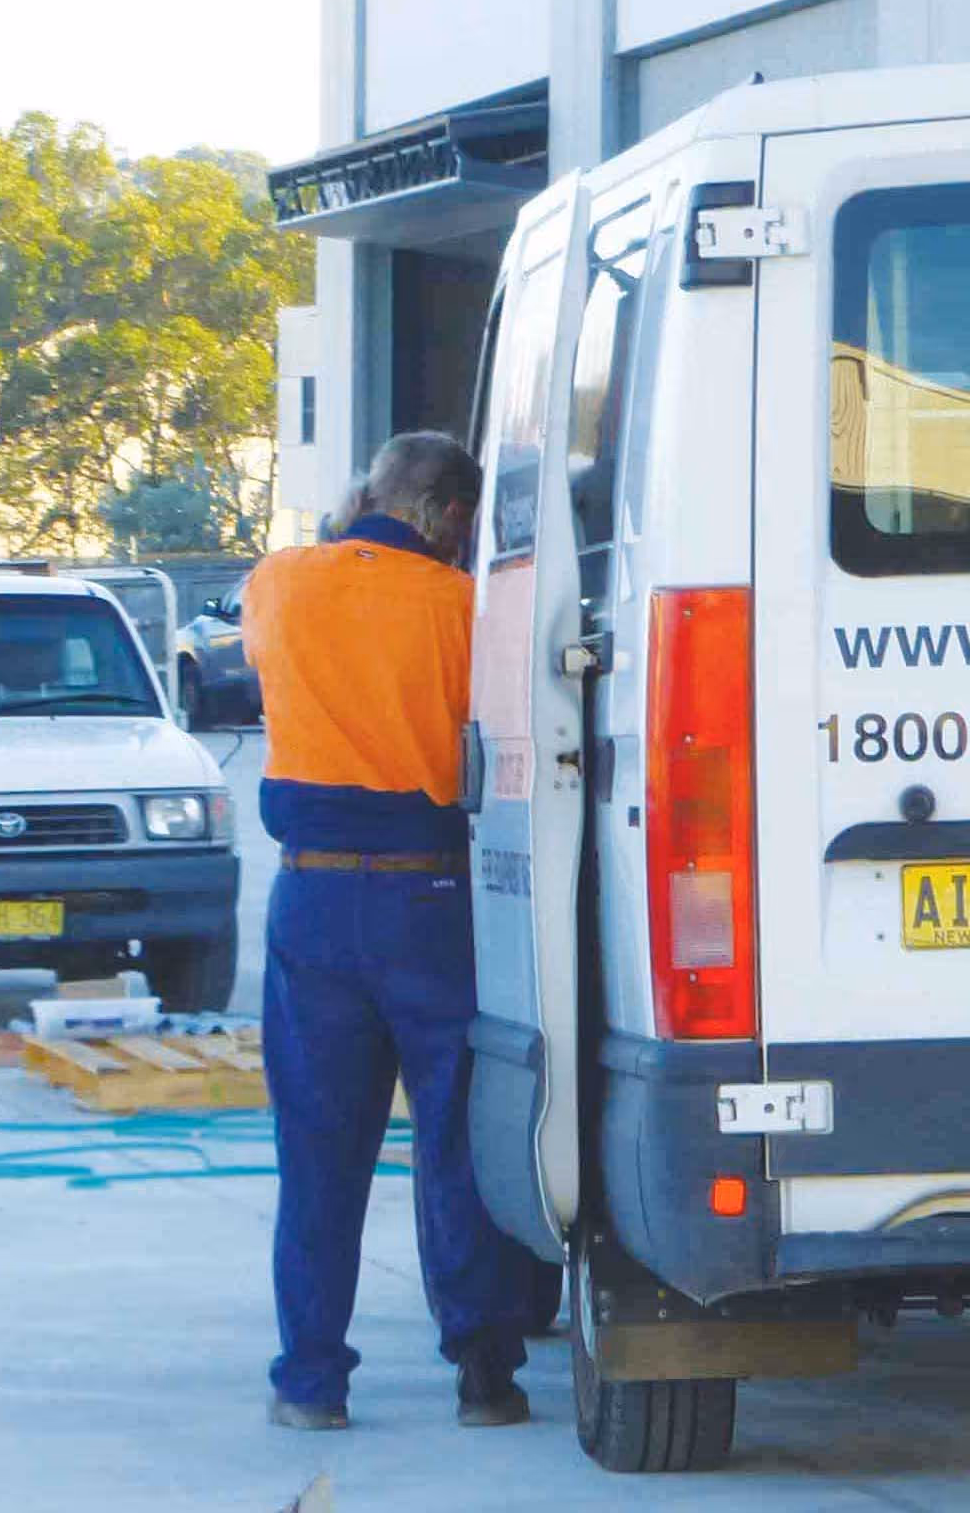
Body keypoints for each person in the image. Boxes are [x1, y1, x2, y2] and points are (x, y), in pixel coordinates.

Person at [241, 430, 529, 1431]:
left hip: (311, 901)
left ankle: (309, 1380)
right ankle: (484, 1370)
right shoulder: (465, 608)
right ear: (450, 516)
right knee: (452, 1135)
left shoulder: (277, 583)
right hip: (428, 898)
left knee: (319, 1150)